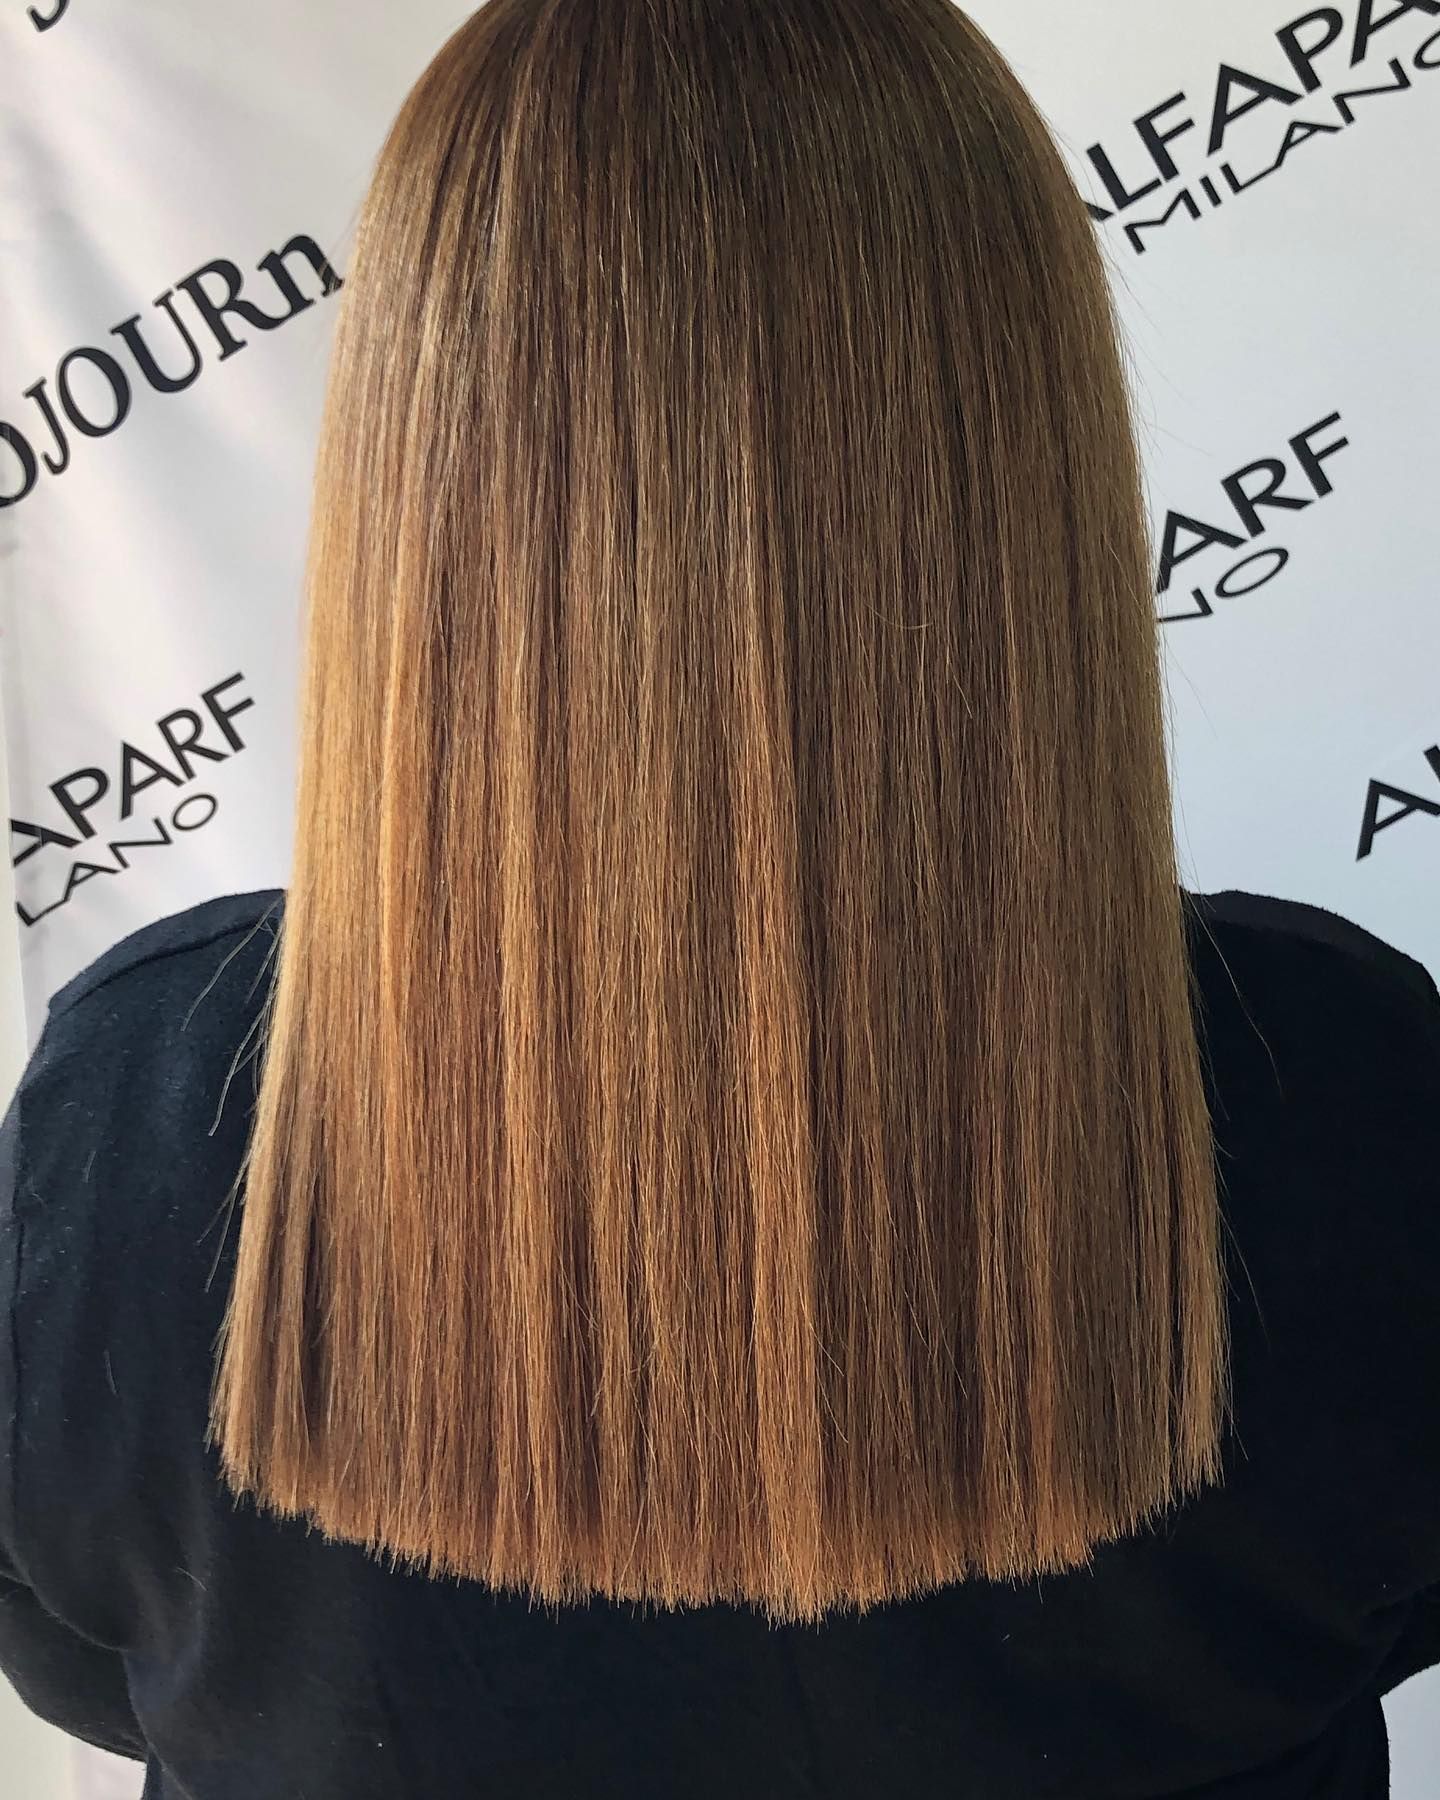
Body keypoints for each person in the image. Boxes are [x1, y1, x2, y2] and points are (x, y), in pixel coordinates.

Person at [2, 2, 1438, 1795]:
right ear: (1033, 445)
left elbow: (76, 1646)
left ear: (420, 473)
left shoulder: (145, 1114)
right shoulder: (1348, 1093)